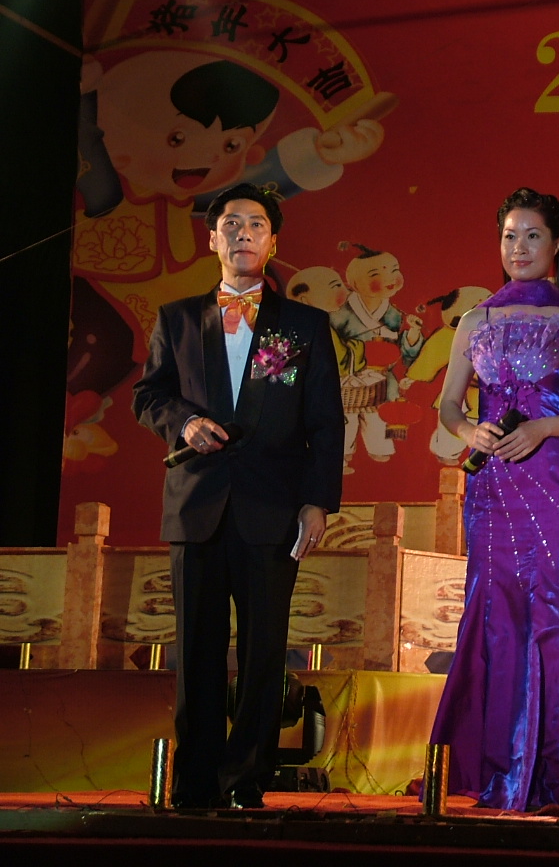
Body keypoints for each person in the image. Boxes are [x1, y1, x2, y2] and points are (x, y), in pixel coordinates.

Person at [133, 182, 345, 809]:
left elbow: (325, 421)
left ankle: (246, 778)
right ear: (212, 239)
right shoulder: (176, 319)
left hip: (272, 506)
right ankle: (195, 781)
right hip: (196, 504)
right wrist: (184, 424)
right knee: (196, 648)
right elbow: (148, 395)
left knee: (262, 650)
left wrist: (317, 501)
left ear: (272, 241)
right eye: (230, 224)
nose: (242, 234)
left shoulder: (305, 325)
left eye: (255, 224)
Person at [428, 187, 559, 815]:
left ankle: (556, 776)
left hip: (550, 482)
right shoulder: (474, 321)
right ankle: (493, 770)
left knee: (549, 607)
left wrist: (542, 429)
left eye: (533, 235)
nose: (519, 247)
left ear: (556, 243)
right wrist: (468, 431)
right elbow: (448, 405)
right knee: (492, 608)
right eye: (510, 236)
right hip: (492, 486)